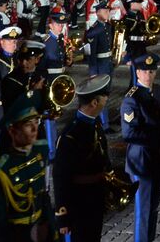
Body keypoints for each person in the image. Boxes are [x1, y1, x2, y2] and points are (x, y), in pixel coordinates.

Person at [53, 74, 113, 242]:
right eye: (104, 97)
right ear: (94, 103)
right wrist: (62, 215)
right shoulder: (71, 135)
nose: (106, 100)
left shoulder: (94, 123)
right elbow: (60, 177)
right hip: (79, 204)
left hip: (94, 200)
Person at [0, 93, 52, 242]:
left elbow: (43, 195)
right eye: (28, 124)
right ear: (12, 130)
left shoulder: (42, 151)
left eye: (36, 121)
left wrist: (51, 228)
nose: (35, 129)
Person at [122, 53, 160, 242]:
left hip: (156, 157)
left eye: (152, 71)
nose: (148, 75)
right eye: (144, 71)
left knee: (154, 206)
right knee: (144, 209)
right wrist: (158, 136)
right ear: (137, 73)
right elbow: (129, 134)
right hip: (141, 160)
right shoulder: (131, 98)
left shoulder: (156, 92)